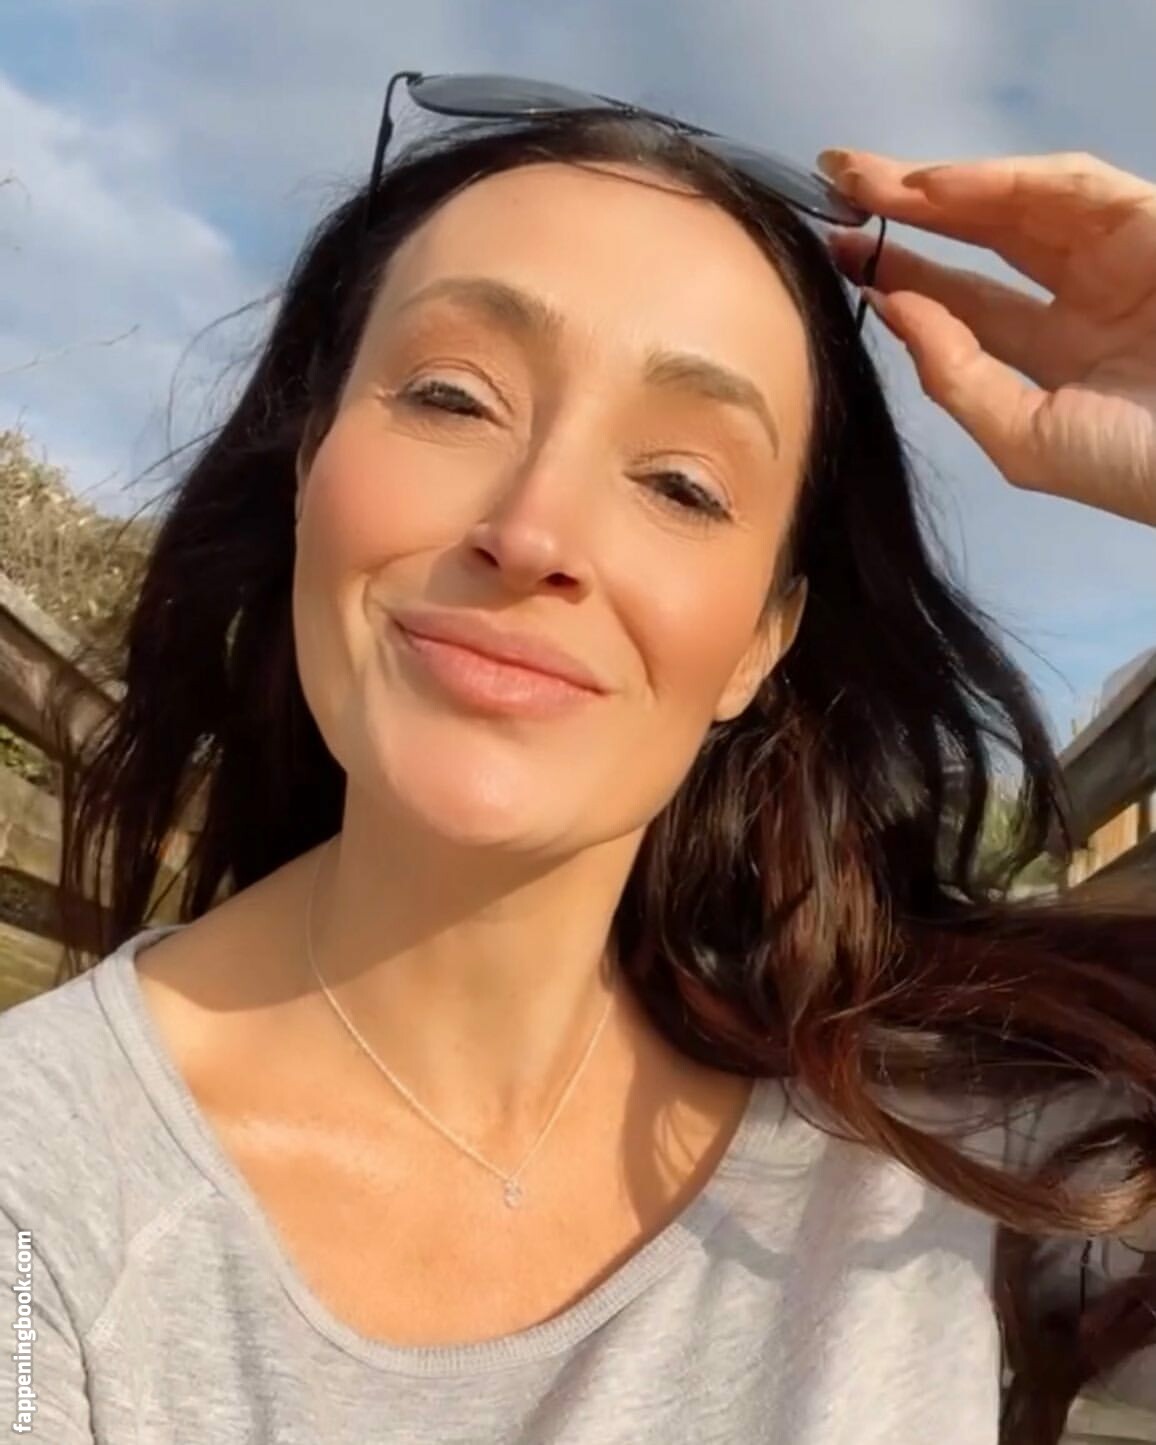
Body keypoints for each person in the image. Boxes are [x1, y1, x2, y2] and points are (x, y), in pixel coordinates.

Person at [1, 72, 1154, 1445]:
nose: (536, 530)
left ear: (761, 642)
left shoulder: (947, 1140)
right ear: (309, 467)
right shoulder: (40, 1192)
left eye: (681, 484)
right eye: (453, 396)